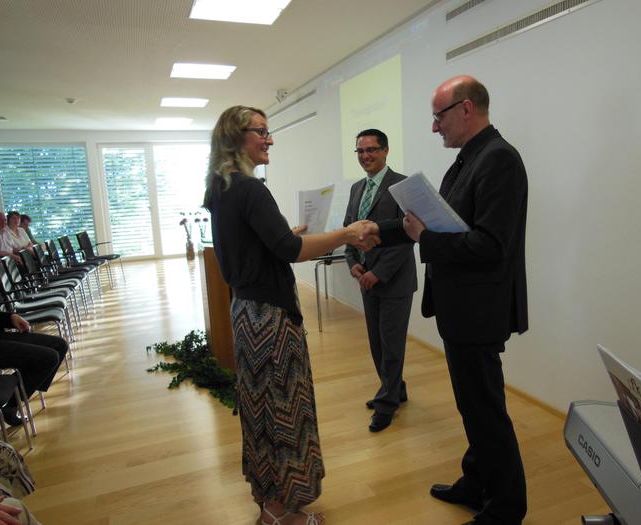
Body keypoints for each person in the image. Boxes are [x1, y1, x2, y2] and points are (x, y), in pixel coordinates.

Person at [364, 76, 528, 525]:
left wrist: (425, 239)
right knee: (472, 406)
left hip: (479, 311)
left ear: (466, 109)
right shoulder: (468, 160)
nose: (434, 126)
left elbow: (491, 246)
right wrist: (378, 230)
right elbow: (429, 224)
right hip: (462, 310)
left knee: (486, 411)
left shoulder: (499, 160)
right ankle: (476, 482)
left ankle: (506, 509)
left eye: (438, 116)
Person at [203, 105, 378, 525]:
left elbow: (263, 245)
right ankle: (284, 513)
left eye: (269, 131)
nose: (270, 139)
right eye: (260, 131)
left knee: (260, 412)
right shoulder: (251, 189)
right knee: (283, 413)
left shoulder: (221, 188)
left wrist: (285, 236)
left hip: (246, 312)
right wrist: (347, 233)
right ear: (236, 137)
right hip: (270, 320)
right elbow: (291, 252)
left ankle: (269, 504)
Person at [343, 129, 416, 433]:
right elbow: (349, 230)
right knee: (377, 343)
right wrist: (353, 264)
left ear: (385, 150)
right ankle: (395, 389)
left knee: (391, 344)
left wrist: (378, 272)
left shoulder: (402, 186)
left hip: (394, 280)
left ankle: (387, 404)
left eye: (372, 149)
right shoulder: (357, 188)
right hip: (366, 279)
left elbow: (408, 235)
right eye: (360, 151)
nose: (366, 156)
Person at [0, 303, 68, 426]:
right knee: (49, 358)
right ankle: (11, 404)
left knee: (60, 345)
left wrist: (11, 318)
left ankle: (14, 399)